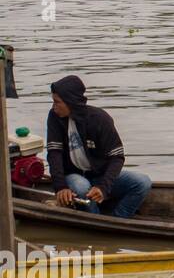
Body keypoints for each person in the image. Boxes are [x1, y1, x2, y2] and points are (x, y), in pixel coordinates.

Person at [47, 75, 152, 218]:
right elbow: (54, 153)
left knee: (142, 182)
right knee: (81, 187)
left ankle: (118, 220)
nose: (54, 107)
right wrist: (60, 187)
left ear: (70, 102)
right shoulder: (55, 117)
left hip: (99, 175)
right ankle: (97, 220)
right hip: (74, 176)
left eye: (57, 102)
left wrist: (103, 187)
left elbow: (117, 157)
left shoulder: (100, 119)